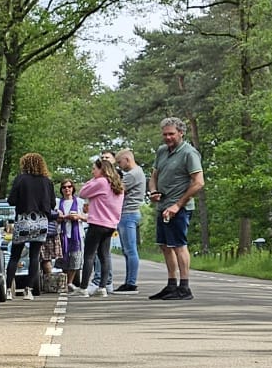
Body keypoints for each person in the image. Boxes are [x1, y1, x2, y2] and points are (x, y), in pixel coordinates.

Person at [148, 117, 205, 299]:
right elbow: (154, 176)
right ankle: (171, 285)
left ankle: (185, 287)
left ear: (181, 133)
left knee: (179, 245)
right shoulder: (162, 151)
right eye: (165, 134)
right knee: (165, 246)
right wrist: (153, 191)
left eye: (171, 134)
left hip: (179, 207)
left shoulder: (189, 153)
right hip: (162, 205)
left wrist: (178, 205)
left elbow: (198, 183)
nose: (168, 137)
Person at [5, 152, 56, 299]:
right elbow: (52, 203)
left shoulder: (20, 179)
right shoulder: (47, 181)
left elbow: (11, 200)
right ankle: (29, 290)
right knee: (35, 256)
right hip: (41, 221)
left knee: (15, 255)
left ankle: (8, 289)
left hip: (23, 220)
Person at [76, 155, 125, 296]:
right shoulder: (118, 185)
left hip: (97, 223)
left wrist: (94, 179)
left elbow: (82, 192)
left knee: (89, 256)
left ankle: (84, 287)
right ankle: (102, 287)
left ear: (101, 170)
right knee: (104, 256)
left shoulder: (101, 182)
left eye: (94, 169)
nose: (92, 172)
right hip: (110, 225)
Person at [113, 148, 145, 292]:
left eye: (120, 162)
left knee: (130, 250)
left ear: (127, 159)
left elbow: (117, 189)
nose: (119, 166)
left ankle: (131, 282)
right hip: (128, 213)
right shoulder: (137, 173)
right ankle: (129, 280)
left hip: (128, 213)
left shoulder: (133, 174)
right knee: (128, 250)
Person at [54, 179, 86, 289]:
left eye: (69, 186)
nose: (67, 189)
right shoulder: (58, 202)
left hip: (76, 233)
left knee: (75, 257)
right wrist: (60, 217)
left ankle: (69, 282)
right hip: (62, 233)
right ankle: (64, 281)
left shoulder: (80, 202)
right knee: (63, 258)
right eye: (64, 187)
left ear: (73, 188)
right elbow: (54, 218)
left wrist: (78, 217)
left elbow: (88, 217)